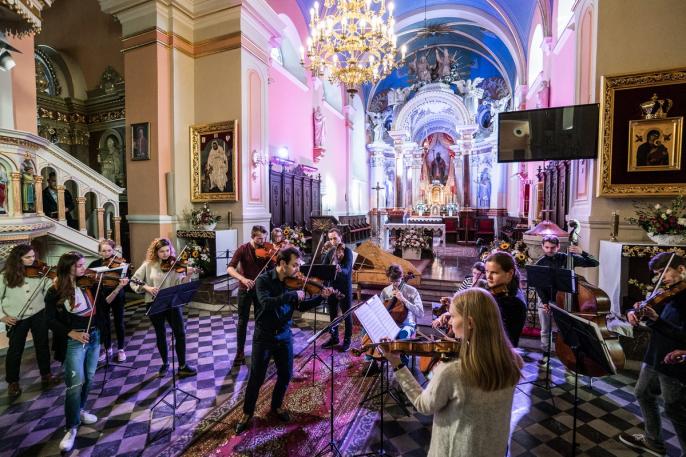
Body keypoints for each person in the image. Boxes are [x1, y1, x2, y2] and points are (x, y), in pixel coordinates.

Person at [384, 288, 523, 457]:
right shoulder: (513, 361)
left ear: (469, 323)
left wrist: (397, 364)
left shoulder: (452, 372)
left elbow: (423, 405)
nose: (449, 322)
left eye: (453, 316)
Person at [235, 247, 333, 434]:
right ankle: (247, 413)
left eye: (298, 266)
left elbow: (301, 306)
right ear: (282, 263)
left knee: (286, 374)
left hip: (284, 335)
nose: (298, 270)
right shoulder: (263, 280)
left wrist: (321, 298)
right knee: (256, 377)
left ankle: (276, 406)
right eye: (294, 265)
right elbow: (266, 303)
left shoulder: (292, 284)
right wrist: (291, 295)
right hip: (264, 337)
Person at [45, 251, 116, 452]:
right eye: (79, 266)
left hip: (94, 335)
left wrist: (119, 287)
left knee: (90, 377)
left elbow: (102, 307)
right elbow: (49, 320)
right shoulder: (55, 290)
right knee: (75, 384)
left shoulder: (89, 284)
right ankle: (71, 427)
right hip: (74, 341)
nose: (84, 269)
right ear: (67, 268)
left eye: (84, 264)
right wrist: (71, 333)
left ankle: (81, 410)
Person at [619, 252, 686, 457]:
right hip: (655, 354)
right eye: (657, 274)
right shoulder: (669, 293)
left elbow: (681, 335)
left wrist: (656, 320)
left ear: (681, 269)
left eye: (664, 272)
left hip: (673, 362)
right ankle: (653, 441)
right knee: (643, 393)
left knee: (674, 410)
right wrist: (633, 311)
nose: (660, 278)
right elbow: (645, 307)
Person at [130, 238, 197, 378]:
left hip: (172, 302)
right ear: (156, 252)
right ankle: (165, 364)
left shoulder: (175, 264)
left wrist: (188, 275)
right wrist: (147, 287)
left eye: (167, 250)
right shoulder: (148, 265)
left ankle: (183, 366)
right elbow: (134, 280)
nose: (165, 254)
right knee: (160, 333)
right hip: (154, 302)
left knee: (180, 333)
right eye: (162, 251)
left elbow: (181, 283)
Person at [535, 234, 599, 364]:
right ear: (542, 247)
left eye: (553, 247)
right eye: (547, 247)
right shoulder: (539, 263)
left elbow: (595, 262)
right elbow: (539, 286)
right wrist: (545, 302)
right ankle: (546, 353)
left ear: (558, 246)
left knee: (567, 329)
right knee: (545, 329)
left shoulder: (567, 258)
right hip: (545, 299)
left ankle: (570, 354)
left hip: (565, 300)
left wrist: (582, 252)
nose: (549, 250)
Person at [0, 244, 54, 398]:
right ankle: (13, 382)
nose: (32, 260)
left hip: (39, 313)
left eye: (33, 256)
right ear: (18, 259)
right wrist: (2, 316)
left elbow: (48, 289)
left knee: (42, 345)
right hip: (17, 317)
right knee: (15, 350)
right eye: (28, 257)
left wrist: (54, 281)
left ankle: (46, 374)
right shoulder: (4, 276)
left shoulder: (40, 272)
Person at [365, 264, 424, 374]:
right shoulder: (386, 291)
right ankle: (371, 362)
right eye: (391, 281)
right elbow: (380, 310)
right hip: (389, 324)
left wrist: (404, 300)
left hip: (406, 324)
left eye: (396, 281)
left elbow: (420, 313)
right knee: (369, 331)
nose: (394, 284)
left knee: (403, 335)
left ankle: (403, 369)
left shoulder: (412, 291)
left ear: (401, 277)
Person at [227, 225, 271, 363]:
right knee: (242, 321)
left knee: (261, 320)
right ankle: (240, 352)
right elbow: (230, 268)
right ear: (252, 237)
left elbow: (273, 267)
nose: (262, 242)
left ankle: (260, 349)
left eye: (264, 239)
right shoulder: (243, 249)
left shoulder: (266, 250)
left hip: (261, 289)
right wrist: (243, 279)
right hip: (244, 288)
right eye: (259, 239)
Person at [88, 239, 129, 362]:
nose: (107, 253)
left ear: (114, 250)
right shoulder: (95, 264)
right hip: (101, 295)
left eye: (109, 250)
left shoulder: (120, 263)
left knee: (119, 322)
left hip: (117, 294)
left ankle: (121, 350)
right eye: (104, 251)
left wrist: (124, 271)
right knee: (104, 322)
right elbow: (89, 278)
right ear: (99, 252)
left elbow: (126, 279)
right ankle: (108, 348)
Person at [484, 252, 527, 347]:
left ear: (510, 273)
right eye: (487, 271)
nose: (488, 277)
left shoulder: (515, 303)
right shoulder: (493, 293)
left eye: (494, 273)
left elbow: (504, 337)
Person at [321, 228, 354, 351]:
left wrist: (340, 269)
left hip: (344, 287)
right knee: (332, 314)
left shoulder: (347, 251)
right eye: (330, 239)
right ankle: (334, 337)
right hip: (331, 287)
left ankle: (347, 340)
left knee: (347, 315)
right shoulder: (330, 252)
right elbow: (323, 267)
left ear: (341, 237)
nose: (333, 241)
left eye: (335, 238)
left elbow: (347, 270)